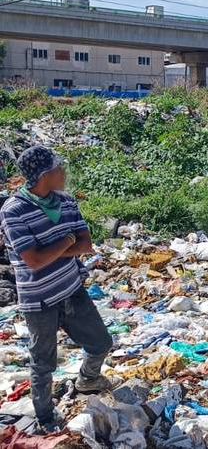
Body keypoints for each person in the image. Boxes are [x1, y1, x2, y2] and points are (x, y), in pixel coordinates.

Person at [0, 146, 115, 433]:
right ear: (44, 175)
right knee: (43, 363)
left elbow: (86, 244)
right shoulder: (14, 211)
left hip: (71, 288)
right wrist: (66, 242)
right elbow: (34, 261)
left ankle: (88, 379)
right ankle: (46, 418)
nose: (63, 173)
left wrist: (56, 247)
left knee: (101, 343)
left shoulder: (64, 201)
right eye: (58, 168)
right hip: (39, 299)